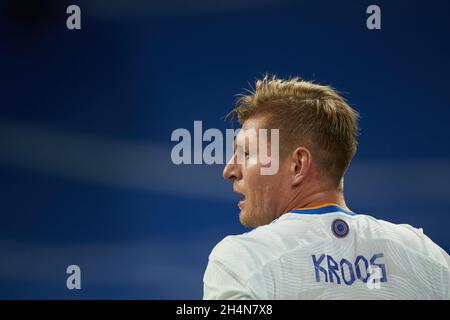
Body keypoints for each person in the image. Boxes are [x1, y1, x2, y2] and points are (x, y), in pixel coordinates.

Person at [203, 75, 450, 299]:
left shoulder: (242, 261)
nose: (229, 171)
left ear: (298, 165)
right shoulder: (427, 256)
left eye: (246, 153)